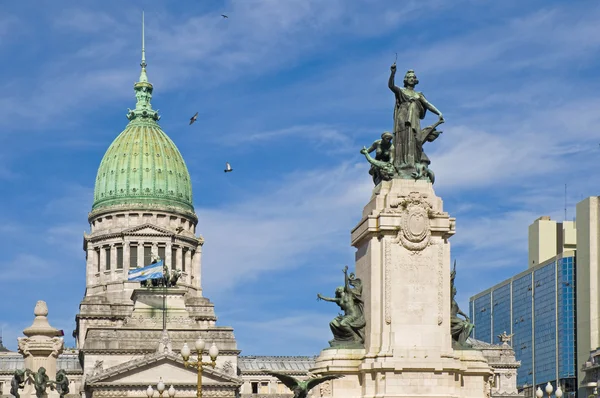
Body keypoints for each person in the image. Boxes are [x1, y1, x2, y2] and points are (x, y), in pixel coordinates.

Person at [388, 64, 444, 169]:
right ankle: (400, 164)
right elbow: (391, 86)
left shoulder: (419, 94)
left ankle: (412, 162)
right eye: (409, 77)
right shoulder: (401, 91)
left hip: (414, 119)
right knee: (402, 139)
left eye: (413, 77)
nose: (412, 79)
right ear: (405, 79)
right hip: (402, 118)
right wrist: (393, 73)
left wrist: (438, 113)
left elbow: (427, 104)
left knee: (415, 139)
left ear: (416, 80)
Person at [317, 266, 365, 348]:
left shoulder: (349, 294)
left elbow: (346, 283)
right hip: (347, 316)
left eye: (339, 287)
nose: (338, 288)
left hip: (353, 315)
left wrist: (345, 273)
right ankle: (339, 338)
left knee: (343, 323)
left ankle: (355, 337)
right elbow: (330, 299)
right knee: (332, 323)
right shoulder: (339, 300)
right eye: (337, 288)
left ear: (342, 289)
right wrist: (321, 297)